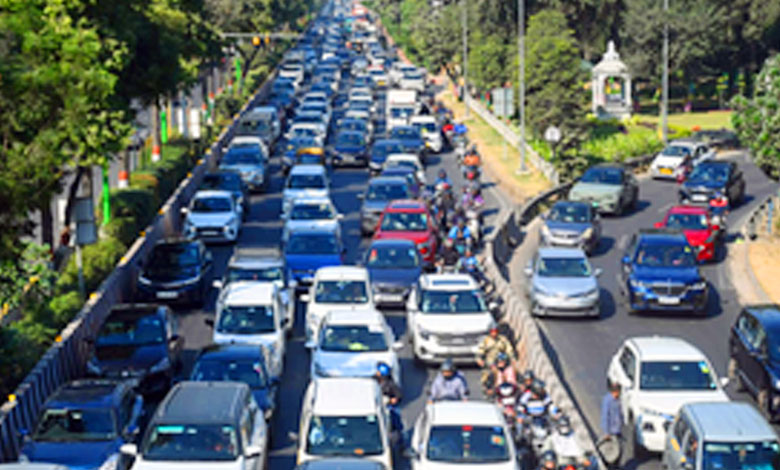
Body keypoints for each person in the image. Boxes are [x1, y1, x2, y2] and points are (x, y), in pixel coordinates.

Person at [476, 326, 516, 391]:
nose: (494, 334)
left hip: (502, 359)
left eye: (495, 332)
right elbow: (481, 350)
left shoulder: (502, 339)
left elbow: (509, 348)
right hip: (490, 361)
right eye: (492, 332)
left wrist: (512, 357)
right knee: (488, 375)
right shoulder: (486, 340)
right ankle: (488, 388)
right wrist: (479, 359)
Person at [599, 381, 624, 469]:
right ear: (615, 391)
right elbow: (605, 416)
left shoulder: (617, 399)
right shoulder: (608, 400)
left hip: (617, 430)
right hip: (611, 431)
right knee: (612, 453)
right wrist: (607, 432)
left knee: (619, 451)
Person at [375, 362, 403, 433]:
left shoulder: (390, 384)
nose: (376, 373)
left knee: (395, 418)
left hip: (389, 406)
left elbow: (398, 395)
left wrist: (392, 400)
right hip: (377, 404)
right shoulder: (374, 380)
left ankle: (399, 432)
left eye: (378, 371)